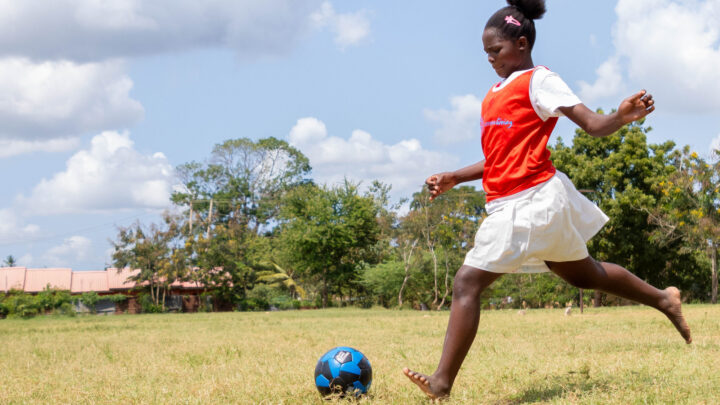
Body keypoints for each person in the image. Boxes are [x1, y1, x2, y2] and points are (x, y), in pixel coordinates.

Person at [403, 0, 692, 400]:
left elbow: (592, 124)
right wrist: (455, 176)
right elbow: (499, 158)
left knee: (467, 281)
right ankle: (664, 298)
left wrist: (620, 117)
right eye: (485, 53)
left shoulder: (540, 80)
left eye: (496, 51)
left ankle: (441, 382)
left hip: (532, 199)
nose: (489, 59)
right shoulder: (494, 95)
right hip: (520, 201)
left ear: (521, 44)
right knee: (585, 275)